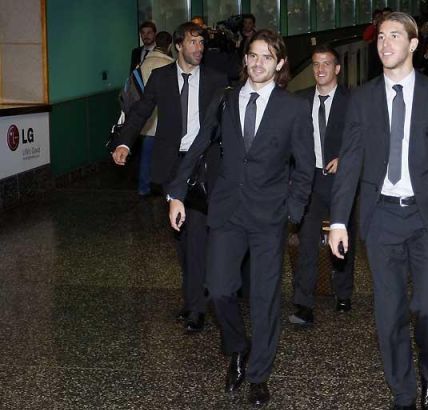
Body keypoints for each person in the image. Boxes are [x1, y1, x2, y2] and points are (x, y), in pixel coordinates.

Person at [328, 12, 428, 410]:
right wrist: (339, 221)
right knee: (390, 313)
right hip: (381, 217)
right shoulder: (362, 98)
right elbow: (350, 162)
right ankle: (402, 392)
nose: (385, 44)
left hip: (427, 218)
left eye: (395, 36)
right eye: (381, 37)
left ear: (413, 44)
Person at [166, 29, 314, 406]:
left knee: (264, 299)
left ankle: (258, 375)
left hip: (269, 216)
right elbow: (199, 144)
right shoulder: (226, 99)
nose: (258, 63)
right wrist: (176, 193)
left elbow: (305, 165)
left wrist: (293, 210)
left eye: (267, 57)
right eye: (253, 55)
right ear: (245, 59)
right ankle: (237, 346)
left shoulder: (293, 108)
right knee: (218, 289)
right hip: (227, 210)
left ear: (280, 64)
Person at [112, 22, 227, 332]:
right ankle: (194, 294)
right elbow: (140, 111)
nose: (199, 48)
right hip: (171, 166)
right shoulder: (161, 78)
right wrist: (124, 142)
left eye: (201, 43)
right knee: (181, 237)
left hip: (202, 166)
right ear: (178, 45)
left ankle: (196, 308)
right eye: (193, 42)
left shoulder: (216, 79)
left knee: (196, 234)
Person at [288, 45, 355, 326]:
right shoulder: (300, 100)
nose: (320, 69)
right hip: (310, 179)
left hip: (342, 181)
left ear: (337, 68)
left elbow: (364, 138)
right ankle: (303, 302)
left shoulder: (352, 101)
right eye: (316, 64)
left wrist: (345, 158)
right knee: (307, 242)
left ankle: (343, 292)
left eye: (326, 63)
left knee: (343, 238)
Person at [136, 31, 174, 196]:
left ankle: (143, 187)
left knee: (146, 154)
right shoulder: (170, 65)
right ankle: (167, 188)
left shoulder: (143, 64)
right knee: (167, 155)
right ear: (170, 45)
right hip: (164, 117)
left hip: (147, 117)